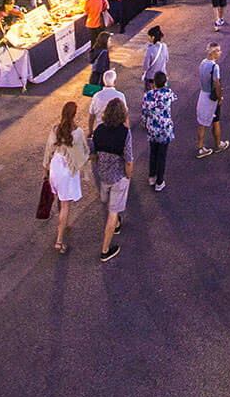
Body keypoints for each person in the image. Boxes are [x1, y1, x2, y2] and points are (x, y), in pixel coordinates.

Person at [44, 101, 89, 254]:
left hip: (55, 167)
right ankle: (59, 240)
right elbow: (82, 155)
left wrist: (46, 170)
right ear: (75, 115)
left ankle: (64, 222)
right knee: (65, 205)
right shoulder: (78, 132)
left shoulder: (56, 129)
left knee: (61, 199)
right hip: (67, 171)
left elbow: (48, 151)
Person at [92, 97, 133, 263]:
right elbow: (129, 159)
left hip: (103, 175)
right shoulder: (124, 133)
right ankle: (105, 250)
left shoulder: (99, 129)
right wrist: (128, 175)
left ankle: (116, 224)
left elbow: (94, 153)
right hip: (118, 176)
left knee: (106, 201)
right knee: (113, 212)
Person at [141, 71, 176, 191]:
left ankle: (152, 176)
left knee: (153, 152)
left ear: (154, 82)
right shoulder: (168, 93)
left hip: (152, 128)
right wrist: (167, 84)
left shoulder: (148, 95)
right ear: (165, 82)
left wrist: (145, 121)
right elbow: (174, 97)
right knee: (162, 155)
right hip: (165, 129)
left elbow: (144, 112)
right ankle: (159, 182)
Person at [194, 42, 230, 158]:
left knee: (202, 123)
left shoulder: (202, 63)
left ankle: (200, 147)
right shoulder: (215, 67)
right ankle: (218, 144)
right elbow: (217, 84)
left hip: (203, 95)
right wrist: (220, 98)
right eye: (218, 50)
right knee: (216, 121)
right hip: (211, 97)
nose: (220, 52)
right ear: (213, 52)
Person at [142, 25, 168, 90]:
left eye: (149, 37)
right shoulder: (164, 46)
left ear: (153, 37)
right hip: (162, 77)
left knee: (150, 97)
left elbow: (146, 66)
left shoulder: (150, 50)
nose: (148, 38)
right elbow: (167, 59)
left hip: (151, 78)